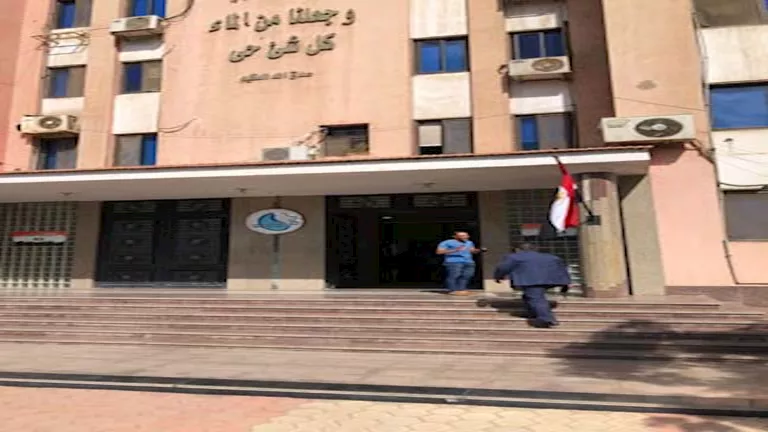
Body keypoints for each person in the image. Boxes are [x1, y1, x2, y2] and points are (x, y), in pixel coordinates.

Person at [493, 243, 571, 328]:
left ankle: (546, 319)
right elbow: (562, 268)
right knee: (529, 296)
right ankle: (532, 313)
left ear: (518, 250)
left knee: (536, 298)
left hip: (532, 281)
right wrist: (566, 282)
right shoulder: (551, 257)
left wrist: (498, 277)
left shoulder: (515, 257)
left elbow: (503, 268)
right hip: (551, 280)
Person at [436, 231, 485, 296]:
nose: (466, 237)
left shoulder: (469, 242)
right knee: (454, 275)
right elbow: (439, 252)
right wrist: (455, 250)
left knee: (467, 275)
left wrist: (479, 250)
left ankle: (461, 289)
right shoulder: (447, 242)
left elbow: (472, 250)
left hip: (468, 261)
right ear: (455, 237)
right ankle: (453, 290)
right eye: (462, 236)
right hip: (453, 262)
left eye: (466, 235)